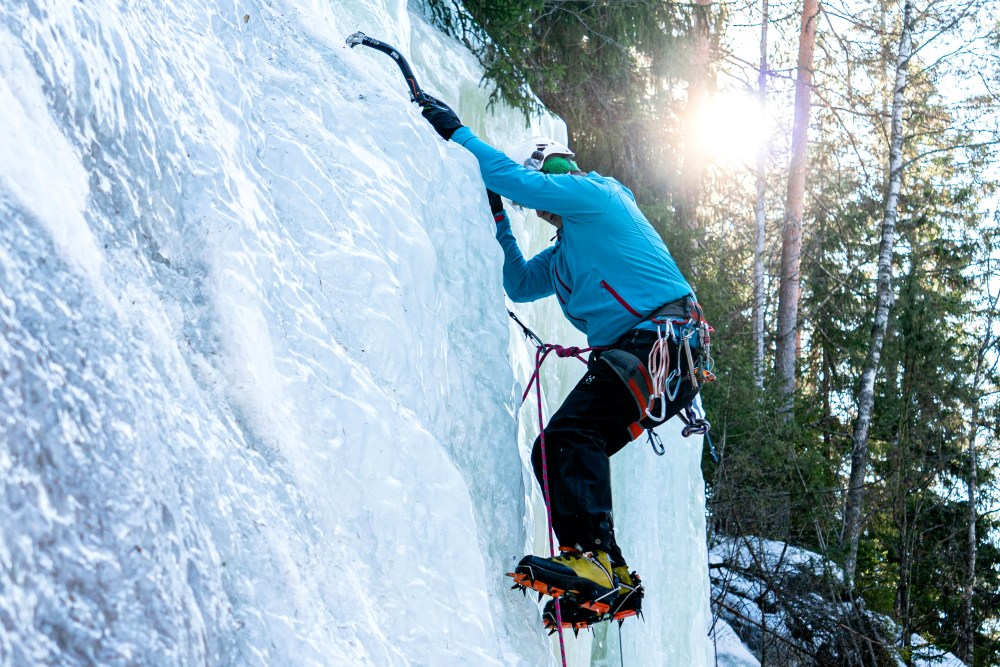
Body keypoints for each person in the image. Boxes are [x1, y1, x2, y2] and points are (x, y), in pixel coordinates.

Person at [420, 95, 708, 628]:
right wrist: (498, 215)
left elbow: (521, 180)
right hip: (653, 358)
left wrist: (458, 133)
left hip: (657, 343)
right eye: (541, 198)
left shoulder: (598, 194)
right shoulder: (563, 256)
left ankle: (594, 562)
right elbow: (519, 280)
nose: (545, 200)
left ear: (563, 169)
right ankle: (612, 579)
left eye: (550, 181)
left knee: (569, 438)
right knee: (554, 452)